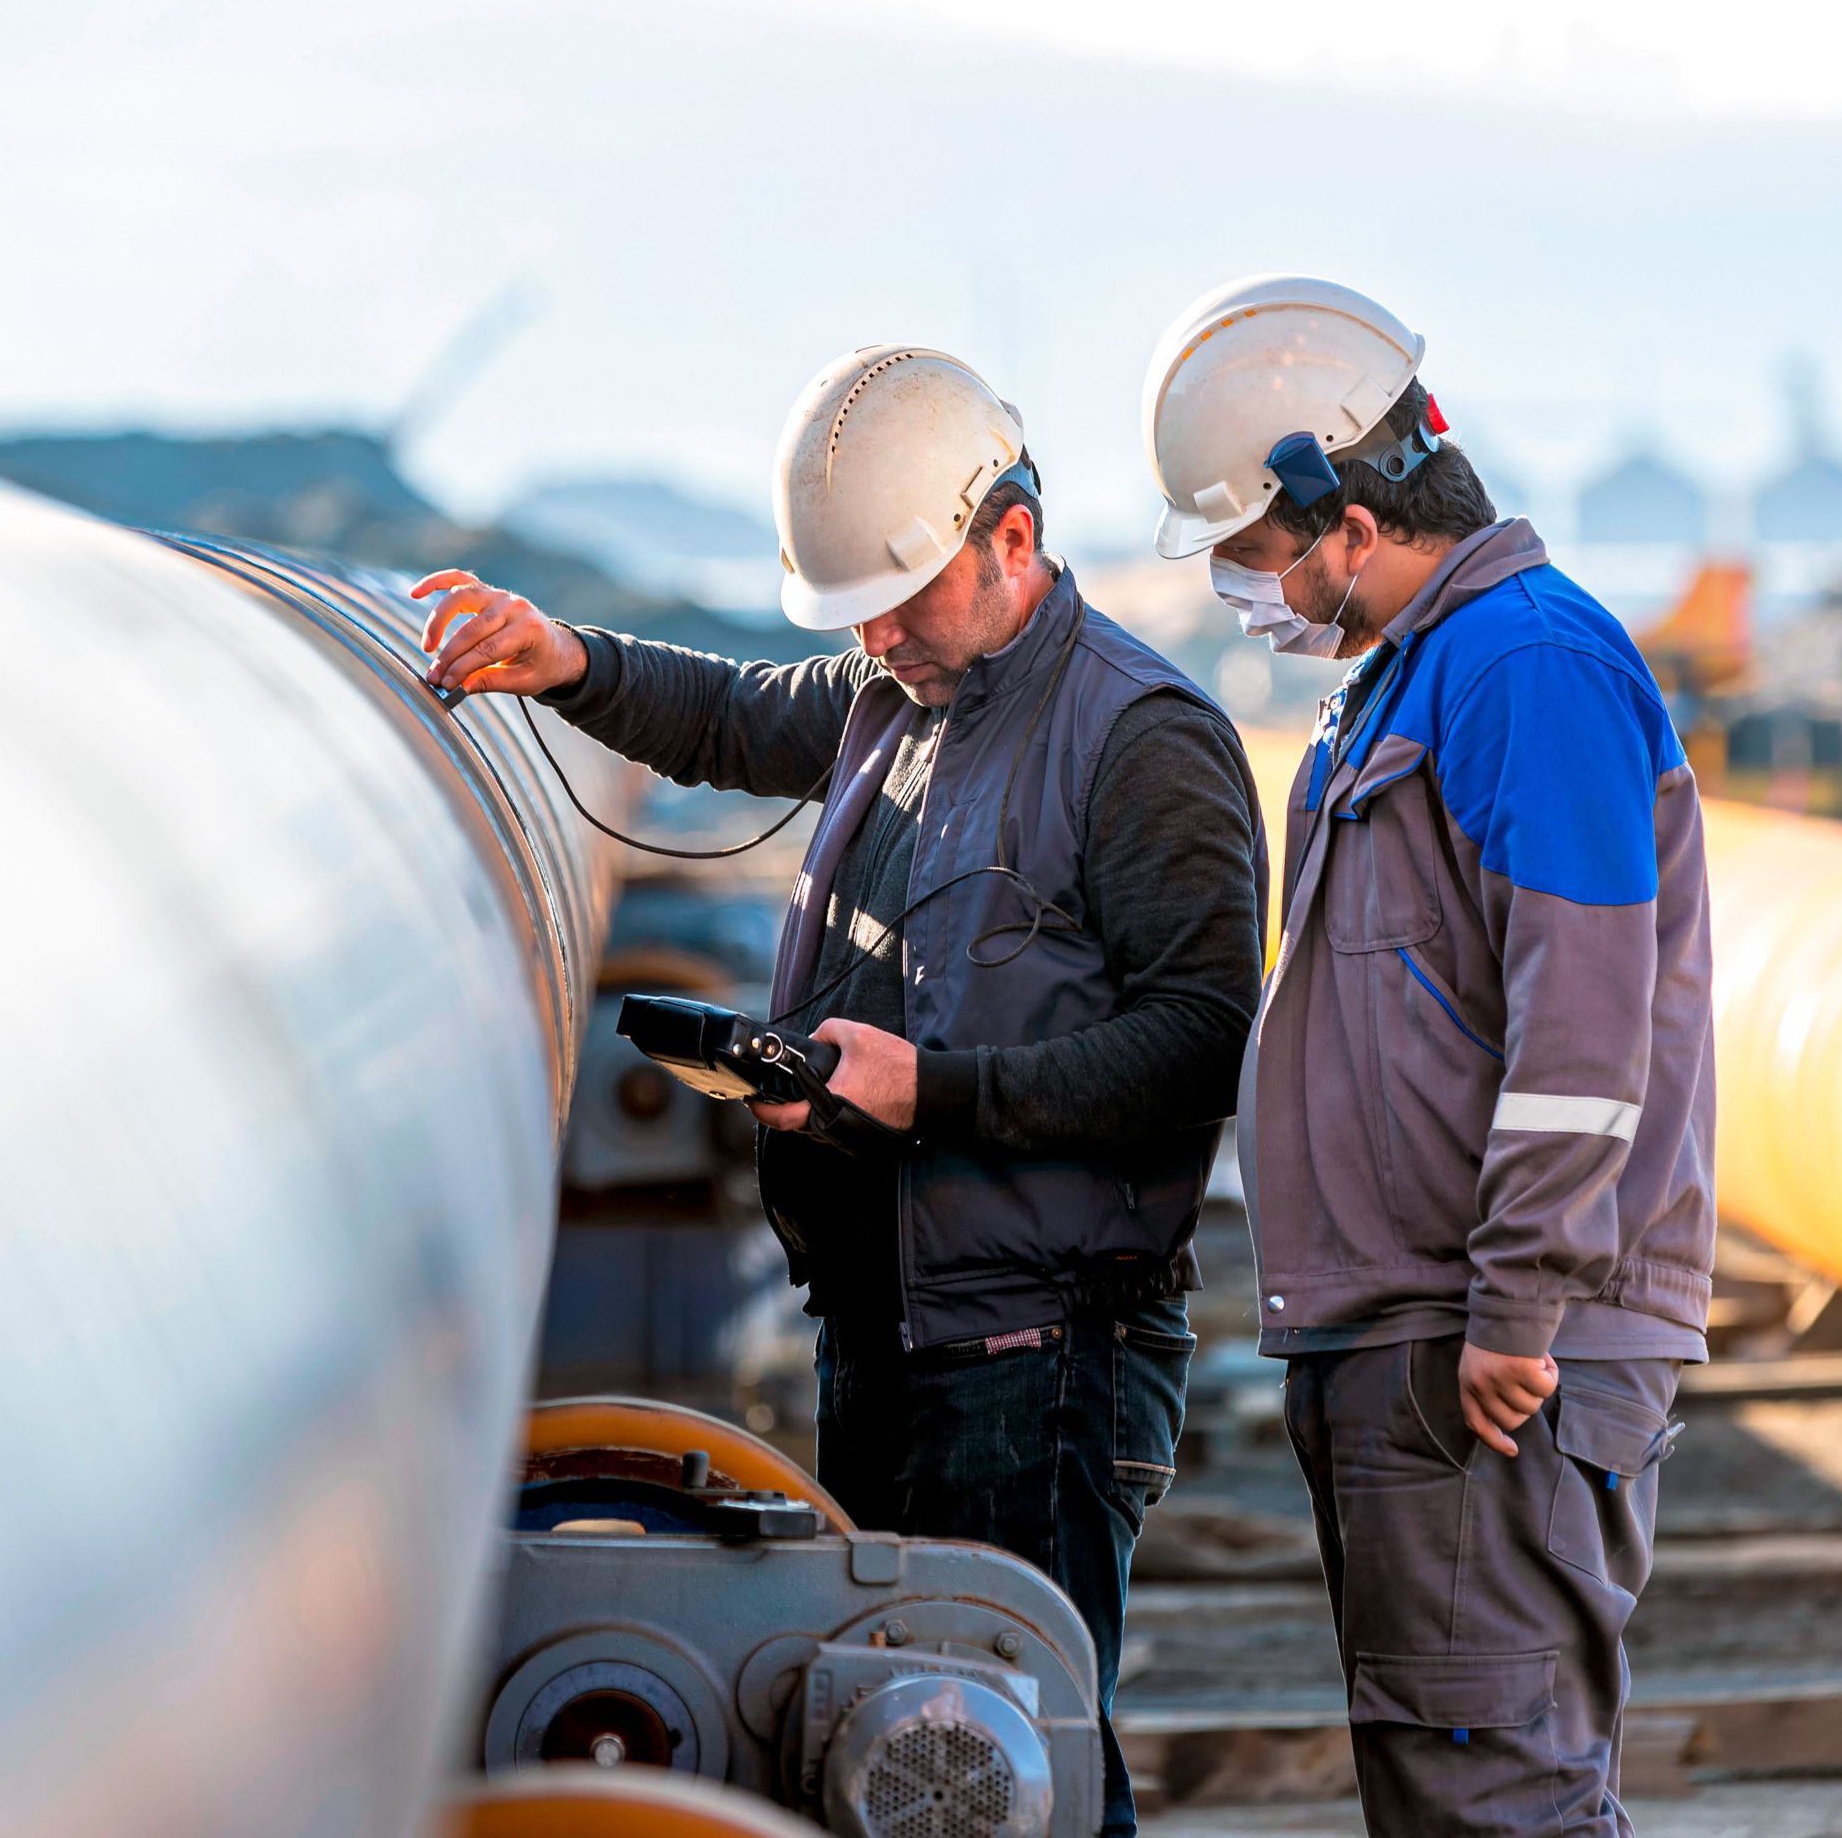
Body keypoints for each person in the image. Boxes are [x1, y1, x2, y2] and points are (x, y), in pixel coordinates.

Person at [417, 345, 1267, 1835]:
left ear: (1012, 538)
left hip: (1035, 1356)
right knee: (924, 1762)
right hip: (891, 1334)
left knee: (1015, 1764)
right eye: (857, 610)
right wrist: (571, 660)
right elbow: (740, 714)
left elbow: (1200, 1044)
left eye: (901, 595)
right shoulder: (903, 691)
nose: (876, 631)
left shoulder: (1143, 741)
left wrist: (933, 1092)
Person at [1143, 274, 1716, 1835]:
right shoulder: (1408, 676)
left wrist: (1522, 1297)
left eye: (1255, 552)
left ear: (1339, 505)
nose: (1248, 589)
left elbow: (1588, 1019)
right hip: (1415, 1336)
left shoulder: (1525, 666)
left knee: (1496, 1798)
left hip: (1493, 1355)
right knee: (1450, 1783)